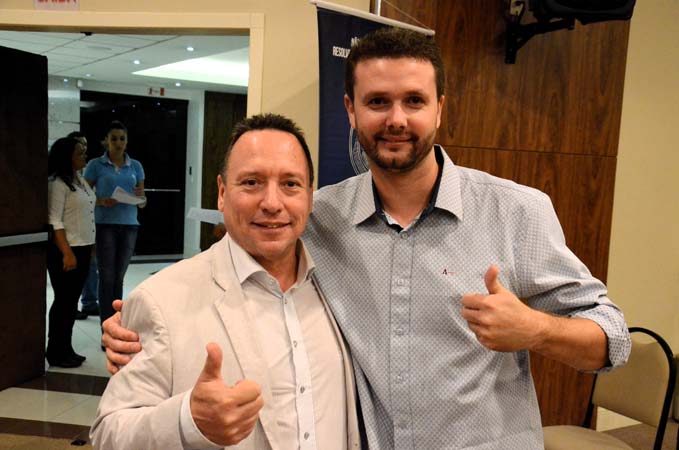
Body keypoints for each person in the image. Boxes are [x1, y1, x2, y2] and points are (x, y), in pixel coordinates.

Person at [103, 28, 631, 449]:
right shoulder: (320, 216)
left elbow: (613, 339)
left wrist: (536, 330)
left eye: (414, 101)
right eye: (378, 101)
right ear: (351, 111)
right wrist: (147, 322)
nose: (396, 119)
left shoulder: (515, 211)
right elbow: (245, 250)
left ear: (440, 108)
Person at [90, 114, 360, 450]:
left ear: (309, 195)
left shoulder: (339, 285)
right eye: (251, 182)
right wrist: (187, 421)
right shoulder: (161, 300)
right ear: (221, 193)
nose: (272, 203)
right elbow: (109, 432)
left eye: (290, 184)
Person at [84, 120, 146, 325]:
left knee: (119, 278)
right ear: (106, 142)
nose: (118, 143)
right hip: (105, 225)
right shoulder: (95, 165)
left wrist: (140, 197)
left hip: (129, 225)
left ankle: (116, 323)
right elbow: (84, 195)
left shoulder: (135, 166)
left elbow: (142, 201)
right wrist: (101, 201)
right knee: (107, 278)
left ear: (127, 141)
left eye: (122, 139)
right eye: (114, 139)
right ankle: (106, 327)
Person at [46, 137, 96, 368]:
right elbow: (54, 220)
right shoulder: (57, 183)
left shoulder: (80, 180)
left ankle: (66, 347)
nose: (85, 155)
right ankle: (55, 351)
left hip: (82, 248)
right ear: (67, 157)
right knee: (63, 302)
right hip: (66, 250)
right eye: (79, 153)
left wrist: (90, 245)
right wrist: (67, 252)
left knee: (70, 302)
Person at [68, 131, 100, 320]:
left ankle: (89, 302)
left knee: (90, 270)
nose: (85, 150)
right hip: (72, 240)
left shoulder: (81, 178)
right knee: (69, 284)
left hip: (86, 237)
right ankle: (73, 307)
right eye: (80, 146)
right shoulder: (60, 181)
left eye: (85, 146)